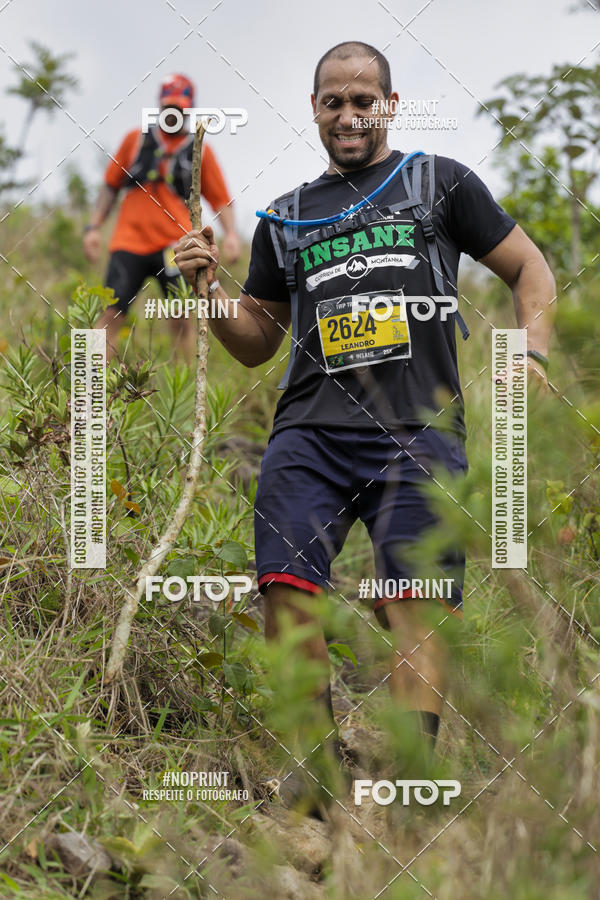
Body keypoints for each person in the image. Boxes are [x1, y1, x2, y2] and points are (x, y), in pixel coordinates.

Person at [174, 42, 555, 815]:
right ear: (314, 109)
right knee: (286, 596)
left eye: (362, 101)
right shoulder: (286, 216)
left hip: (419, 430)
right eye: (332, 102)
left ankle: (409, 790)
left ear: (389, 105)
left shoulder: (440, 183)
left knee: (413, 602)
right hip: (308, 433)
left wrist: (534, 350)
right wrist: (208, 288)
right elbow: (257, 342)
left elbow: (530, 269)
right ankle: (317, 784)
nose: (348, 116)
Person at [84, 73, 241, 360]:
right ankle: (87, 395)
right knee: (110, 315)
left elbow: (221, 199)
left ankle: (179, 397)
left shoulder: (199, 151)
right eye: (168, 107)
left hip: (175, 248)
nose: (173, 113)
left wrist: (231, 235)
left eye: (179, 108)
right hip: (128, 243)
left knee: (180, 318)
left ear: (189, 109)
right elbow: (110, 186)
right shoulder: (134, 140)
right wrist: (93, 227)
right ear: (159, 105)